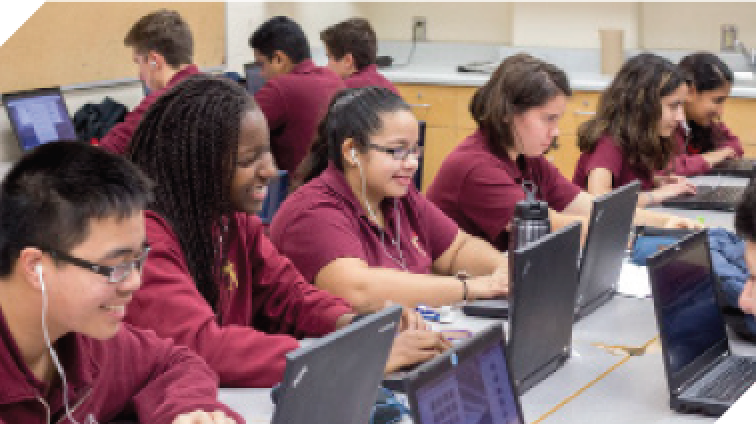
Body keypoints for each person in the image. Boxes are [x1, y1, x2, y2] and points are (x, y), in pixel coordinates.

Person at [127, 75, 447, 388]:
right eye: (249, 160)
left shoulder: (234, 221)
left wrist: (361, 325)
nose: (269, 170)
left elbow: (290, 295)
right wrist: (354, 355)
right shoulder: (143, 242)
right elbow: (202, 346)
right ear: (196, 166)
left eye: (267, 152)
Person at [0, 142, 240, 424]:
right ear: (35, 267)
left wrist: (186, 412)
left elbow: (173, 363)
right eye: (115, 265)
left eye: (139, 259)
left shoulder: (83, 342)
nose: (134, 282)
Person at [426, 54, 699, 252]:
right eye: (548, 119)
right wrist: (629, 232)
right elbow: (550, 225)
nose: (556, 132)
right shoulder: (476, 167)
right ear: (509, 113)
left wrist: (666, 221)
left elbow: (591, 208)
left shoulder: (528, 159)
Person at [269, 87, 509, 311]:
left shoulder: (398, 197)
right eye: (397, 151)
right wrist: (471, 288)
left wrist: (503, 269)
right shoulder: (313, 212)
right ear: (351, 151)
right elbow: (357, 290)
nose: (413, 163)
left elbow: (457, 248)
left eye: (415, 150)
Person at [572, 53, 698, 207]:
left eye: (681, 106)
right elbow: (599, 201)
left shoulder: (637, 138)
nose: (680, 117)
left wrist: (656, 182)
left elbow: (623, 183)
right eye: (673, 106)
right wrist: (656, 195)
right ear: (642, 106)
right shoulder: (608, 144)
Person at [249, 16, 346, 175]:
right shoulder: (334, 79)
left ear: (279, 59)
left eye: (262, 64)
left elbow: (234, 130)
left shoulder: (280, 89)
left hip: (298, 191)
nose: (261, 73)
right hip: (335, 186)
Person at [99, 9, 200, 155]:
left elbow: (103, 157)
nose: (139, 75)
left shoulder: (160, 104)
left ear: (154, 61)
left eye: (138, 62)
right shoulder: (220, 90)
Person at [671, 52, 743, 176]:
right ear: (688, 92)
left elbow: (735, 146)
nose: (721, 112)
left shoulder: (704, 123)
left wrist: (718, 154)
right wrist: (714, 156)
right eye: (717, 101)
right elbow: (667, 168)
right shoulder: (665, 124)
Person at [320, 18, 399, 94]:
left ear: (348, 60)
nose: (327, 66)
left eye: (329, 57)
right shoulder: (387, 85)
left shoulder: (343, 91)